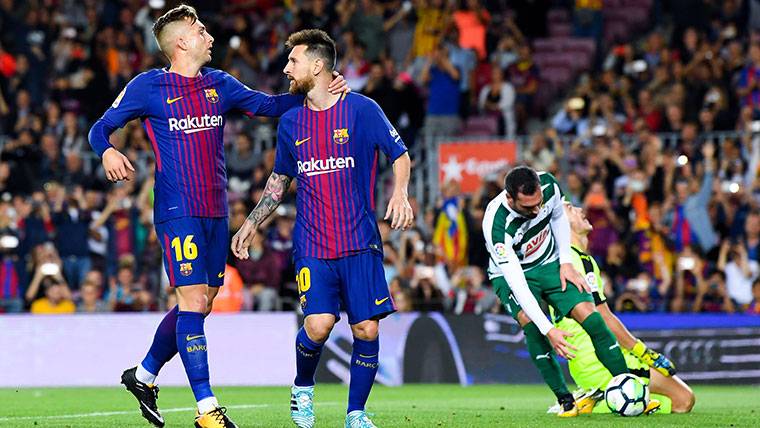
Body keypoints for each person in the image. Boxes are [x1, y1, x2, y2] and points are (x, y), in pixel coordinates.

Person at [87, 6, 348, 428]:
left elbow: (269, 105)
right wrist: (107, 151)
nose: (210, 36)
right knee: (192, 300)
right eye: (201, 30)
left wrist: (321, 89)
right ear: (181, 42)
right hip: (178, 210)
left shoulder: (219, 84)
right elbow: (99, 127)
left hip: (216, 211)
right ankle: (206, 409)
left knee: (203, 302)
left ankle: (144, 375)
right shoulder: (148, 86)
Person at [231, 29, 413, 428]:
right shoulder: (290, 121)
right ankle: (302, 388)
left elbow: (399, 154)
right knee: (318, 324)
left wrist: (400, 193)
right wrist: (251, 222)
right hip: (313, 244)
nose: (286, 68)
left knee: (366, 328)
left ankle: (356, 414)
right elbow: (280, 179)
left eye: (293, 61)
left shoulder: (362, 109)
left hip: (360, 242)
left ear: (317, 65)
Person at [482, 166, 631, 417]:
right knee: (530, 322)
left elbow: (559, 216)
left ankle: (628, 386)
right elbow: (518, 284)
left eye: (538, 203)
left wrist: (565, 263)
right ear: (510, 199)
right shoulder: (496, 225)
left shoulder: (548, 184)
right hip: (514, 274)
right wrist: (548, 329)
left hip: (549, 262)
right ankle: (565, 399)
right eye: (528, 207)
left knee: (591, 315)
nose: (536, 211)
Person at [548, 202, 695, 414]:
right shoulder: (576, 261)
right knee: (684, 400)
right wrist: (645, 353)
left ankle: (595, 398)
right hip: (602, 359)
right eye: (570, 208)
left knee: (660, 401)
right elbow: (603, 317)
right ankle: (590, 403)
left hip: (583, 364)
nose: (580, 210)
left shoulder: (564, 260)